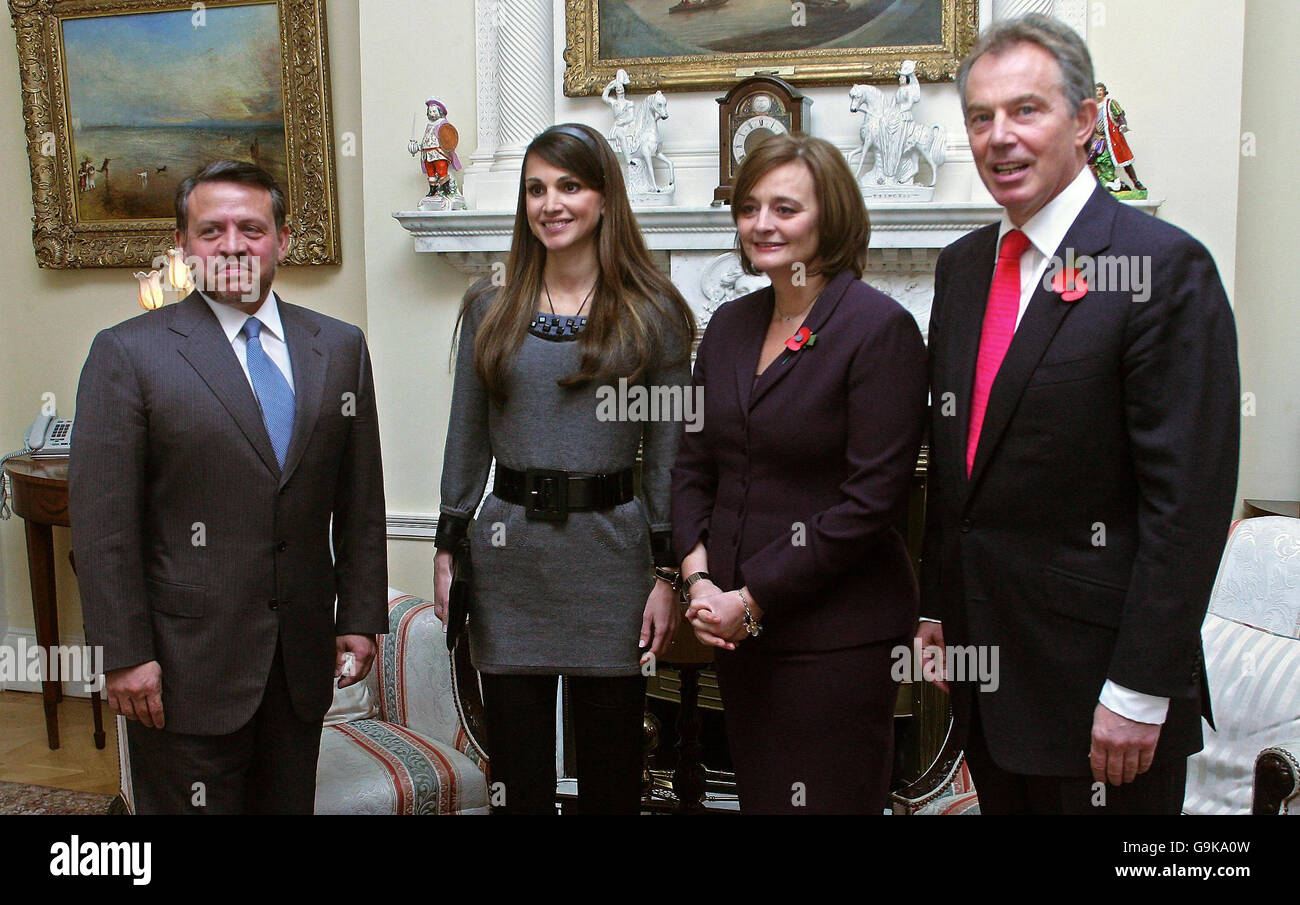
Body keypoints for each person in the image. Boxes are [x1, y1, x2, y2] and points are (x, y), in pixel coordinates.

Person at [917, 14, 1239, 814]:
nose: (1000, 137)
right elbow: (959, 465)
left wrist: (1140, 686)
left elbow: (1187, 507)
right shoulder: (962, 268)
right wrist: (935, 604)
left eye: (1027, 110)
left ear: (1086, 119)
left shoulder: (1161, 267)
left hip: (1103, 694)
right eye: (981, 117)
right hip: (988, 677)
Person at [70, 159, 388, 814]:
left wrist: (358, 617)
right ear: (183, 246)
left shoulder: (340, 347)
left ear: (283, 238)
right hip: (184, 668)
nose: (234, 244)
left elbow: (360, 499)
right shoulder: (130, 353)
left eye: (251, 227)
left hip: (298, 667)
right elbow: (104, 526)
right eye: (211, 231)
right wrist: (123, 653)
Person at [433, 122, 694, 815]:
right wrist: (447, 544)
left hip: (612, 561)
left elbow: (671, 455)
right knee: (519, 780)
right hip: (508, 557)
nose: (550, 203)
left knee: (612, 777)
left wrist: (667, 572)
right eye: (536, 189)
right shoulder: (489, 309)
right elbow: (466, 438)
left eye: (570, 186)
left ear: (605, 197)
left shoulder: (655, 315)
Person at [671, 133, 928, 814]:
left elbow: (869, 503)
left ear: (830, 217)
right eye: (749, 206)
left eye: (785, 208)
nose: (762, 223)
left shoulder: (879, 329)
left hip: (837, 639)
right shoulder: (727, 325)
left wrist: (751, 599)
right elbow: (692, 464)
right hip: (735, 632)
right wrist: (698, 578)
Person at [1094, 81, 1145, 192]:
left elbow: (1120, 116)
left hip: (1112, 138)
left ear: (1104, 92)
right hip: (1097, 139)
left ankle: (1135, 181)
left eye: (1100, 90)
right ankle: (1100, 184)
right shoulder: (1092, 107)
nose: (1098, 92)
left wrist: (1122, 125)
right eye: (1096, 90)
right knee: (1093, 160)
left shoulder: (1110, 103)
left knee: (1123, 159)